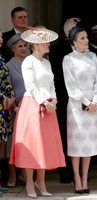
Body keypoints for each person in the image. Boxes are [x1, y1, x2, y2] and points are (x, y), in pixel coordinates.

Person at [9, 26, 66, 198]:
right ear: (37, 45)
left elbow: (51, 85)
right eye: (45, 41)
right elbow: (31, 86)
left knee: (46, 144)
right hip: (32, 105)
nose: (49, 44)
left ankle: (41, 181)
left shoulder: (46, 62)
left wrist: (53, 100)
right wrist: (44, 101)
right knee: (33, 144)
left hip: (48, 106)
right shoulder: (28, 61)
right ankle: (29, 182)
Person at [62, 25, 97, 194]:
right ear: (74, 42)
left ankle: (85, 178)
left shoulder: (93, 56)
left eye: (86, 37)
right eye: (82, 38)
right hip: (77, 107)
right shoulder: (68, 59)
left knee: (88, 146)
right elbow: (71, 87)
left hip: (92, 106)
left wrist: (95, 100)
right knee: (76, 146)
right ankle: (76, 178)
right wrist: (86, 101)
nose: (86, 41)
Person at [49, 17, 81, 184]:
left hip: (79, 99)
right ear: (67, 33)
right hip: (63, 98)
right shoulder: (56, 50)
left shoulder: (84, 49)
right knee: (64, 134)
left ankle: (79, 171)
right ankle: (65, 170)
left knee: (78, 135)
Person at [6, 33, 28, 187]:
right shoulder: (8, 66)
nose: (23, 48)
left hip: (29, 109)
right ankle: (13, 175)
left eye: (25, 45)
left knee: (28, 142)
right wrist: (14, 106)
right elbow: (8, 88)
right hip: (15, 110)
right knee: (12, 144)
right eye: (20, 46)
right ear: (13, 48)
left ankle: (25, 174)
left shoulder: (30, 62)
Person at [0, 29, 16, 195]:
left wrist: (10, 97)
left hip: (3, 109)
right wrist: (3, 97)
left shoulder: (1, 58)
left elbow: (7, 81)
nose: (0, 39)